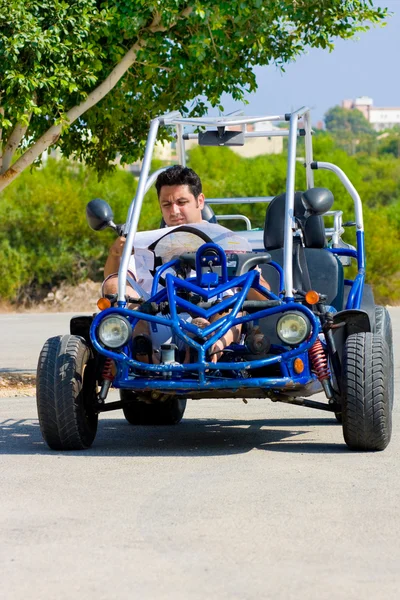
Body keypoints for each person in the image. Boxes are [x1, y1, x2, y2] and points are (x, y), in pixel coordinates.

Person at [103, 165, 269, 363]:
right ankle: (142, 347)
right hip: (155, 317)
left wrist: (243, 278)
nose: (174, 211)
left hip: (214, 316)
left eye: (182, 202)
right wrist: (115, 254)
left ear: (200, 201)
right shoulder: (143, 243)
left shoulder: (227, 240)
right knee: (115, 285)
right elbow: (112, 287)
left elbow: (264, 296)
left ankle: (209, 350)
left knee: (233, 303)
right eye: (166, 204)